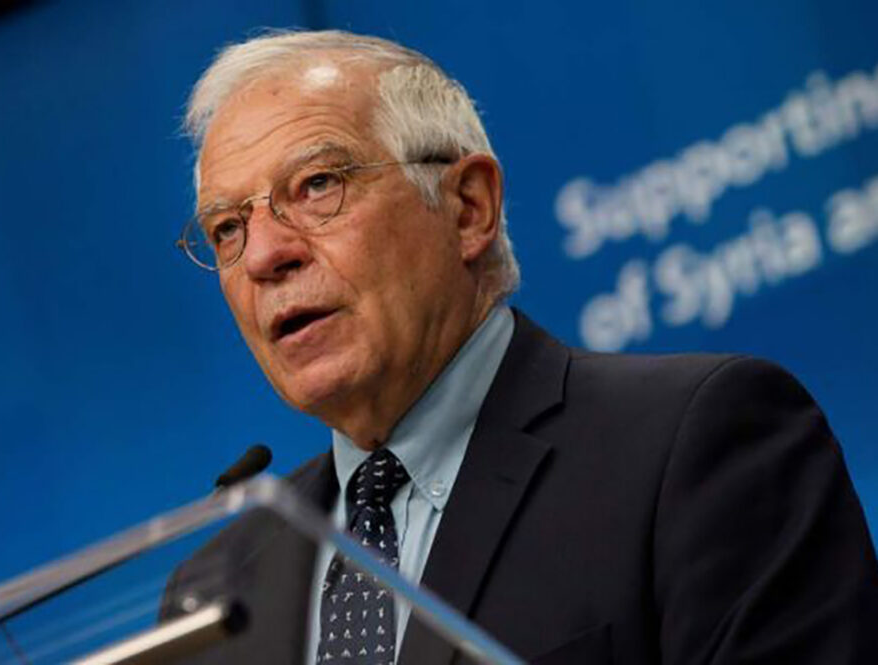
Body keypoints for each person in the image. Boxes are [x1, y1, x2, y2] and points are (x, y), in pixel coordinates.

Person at [162, 29, 878, 664]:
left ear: (468, 208)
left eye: (318, 185)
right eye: (227, 229)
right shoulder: (215, 591)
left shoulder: (694, 445)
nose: (264, 255)